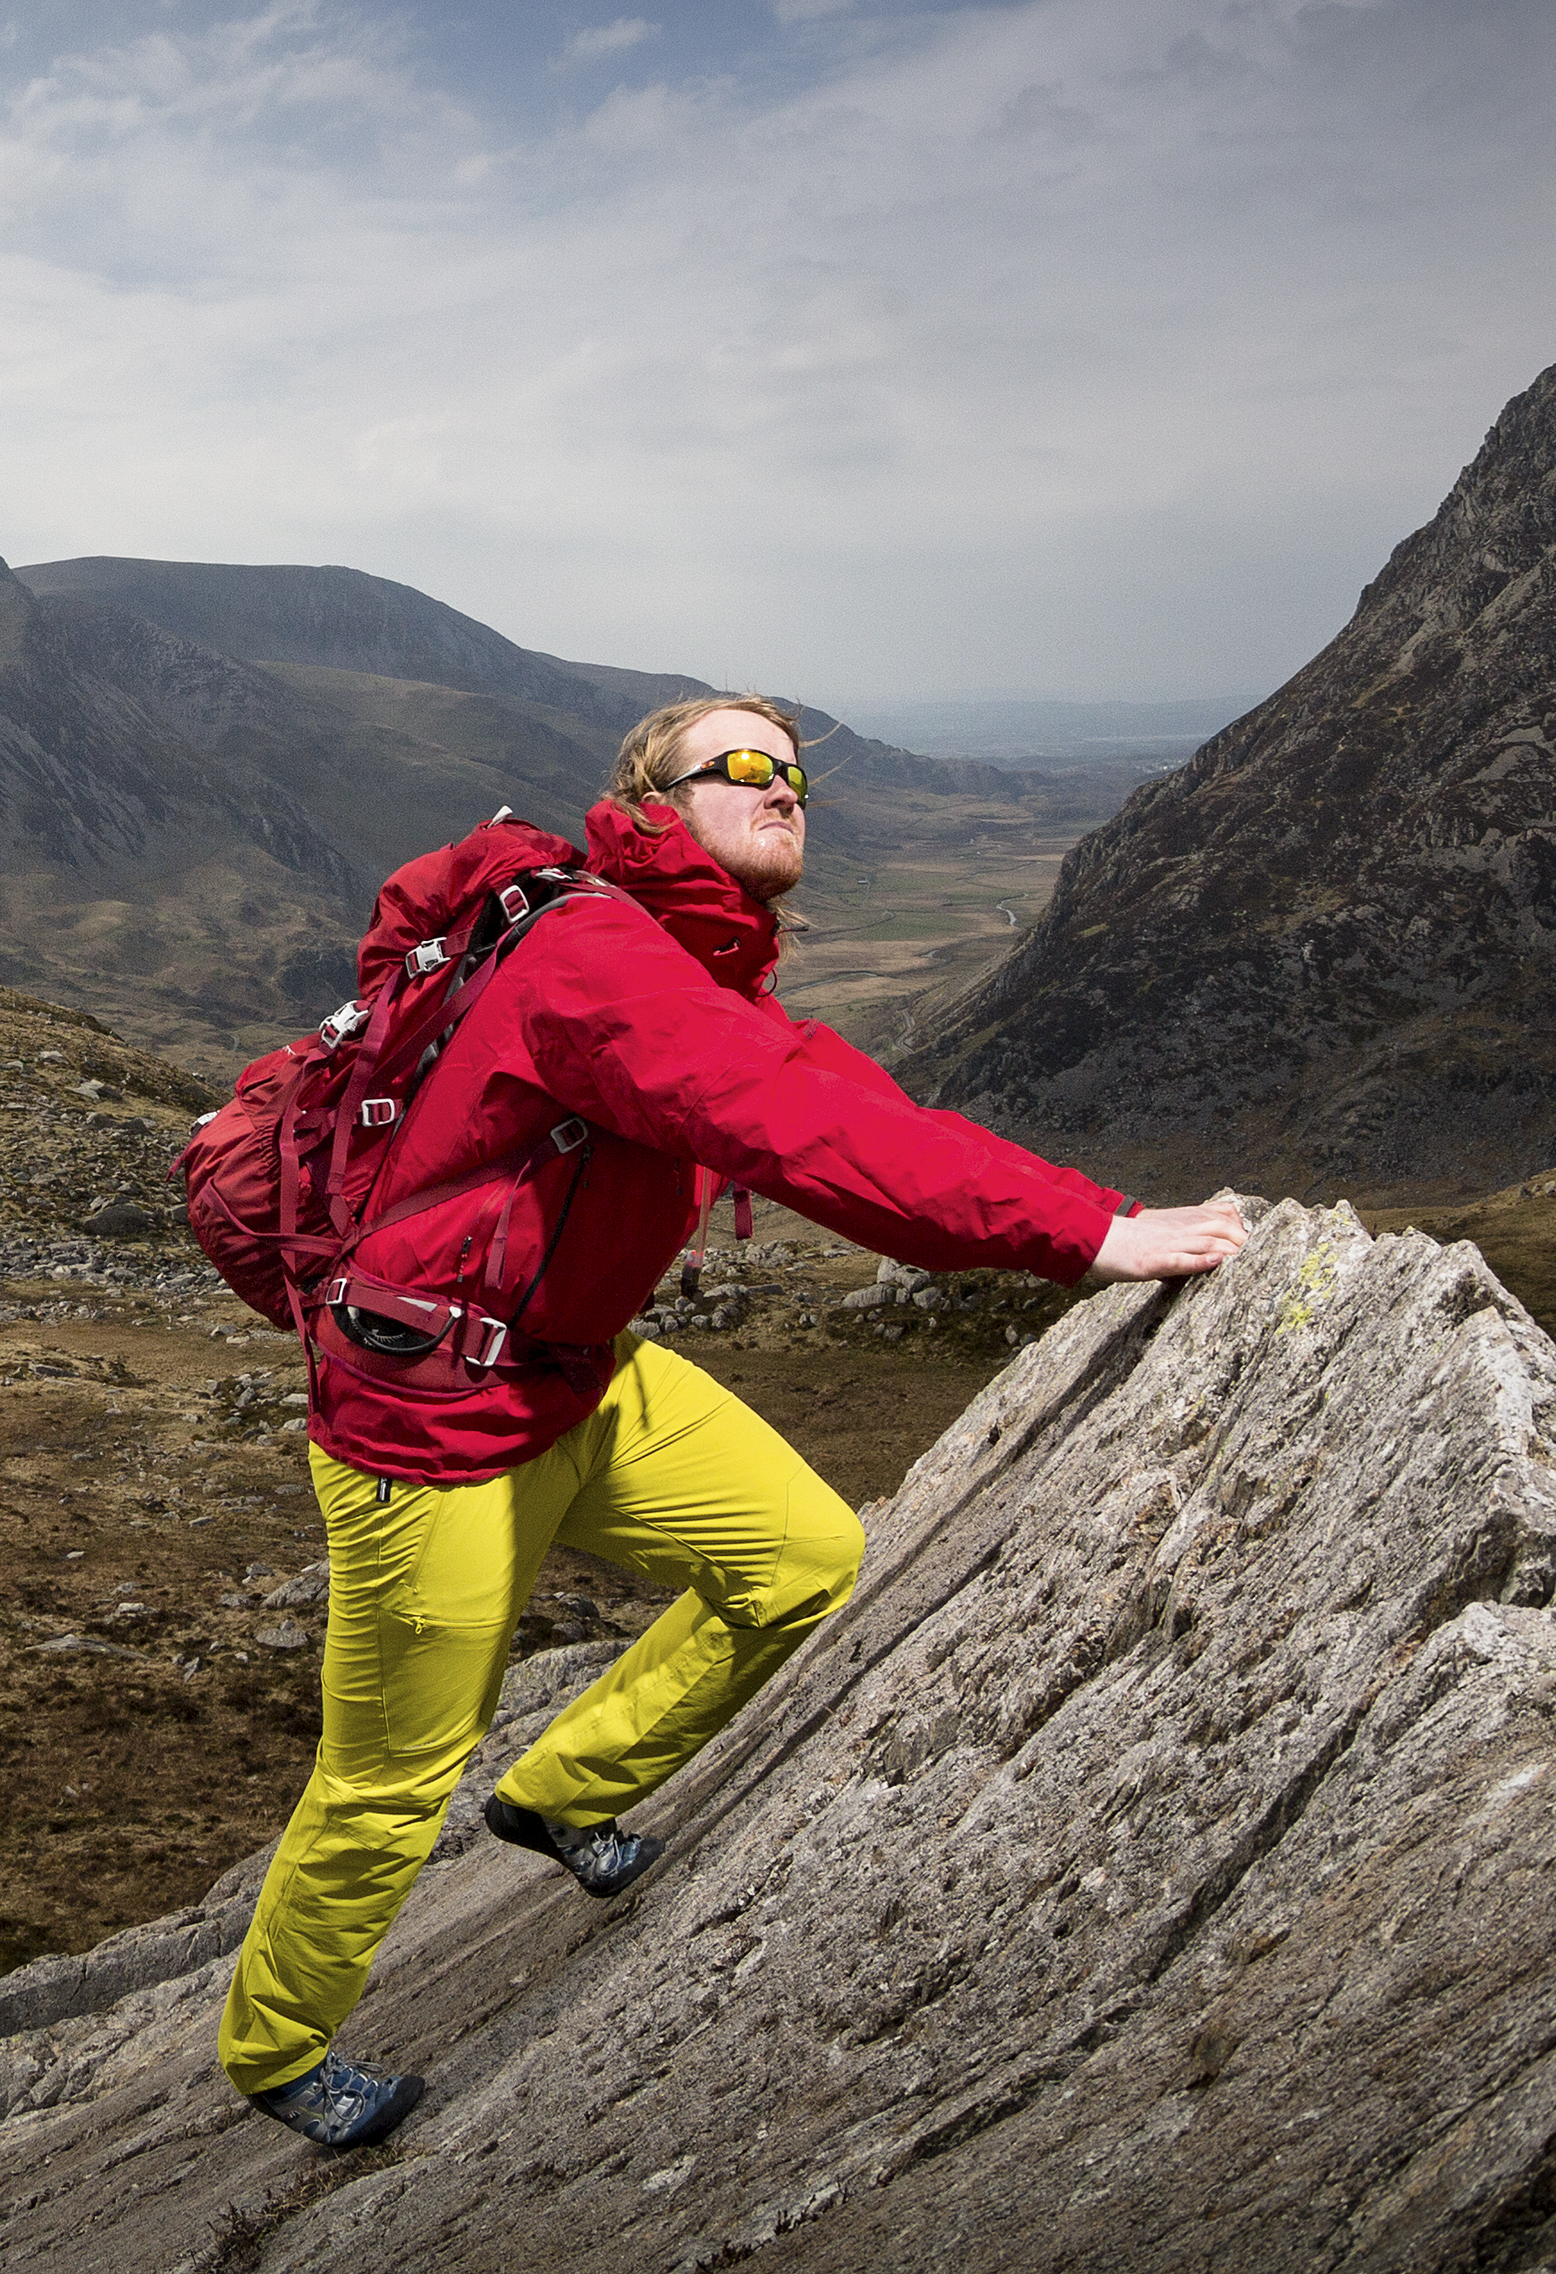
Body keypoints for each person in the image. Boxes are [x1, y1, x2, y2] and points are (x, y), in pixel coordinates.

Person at [219, 695, 1249, 2150]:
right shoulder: (595, 957)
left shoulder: (699, 964)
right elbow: (793, 1129)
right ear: (658, 796)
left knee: (800, 1554)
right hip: (431, 1412)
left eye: (793, 768)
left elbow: (836, 1092)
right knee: (387, 1777)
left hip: (573, 1370)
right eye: (741, 766)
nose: (781, 787)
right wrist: (1087, 1237)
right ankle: (276, 2044)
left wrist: (1096, 1208)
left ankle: (563, 1790)